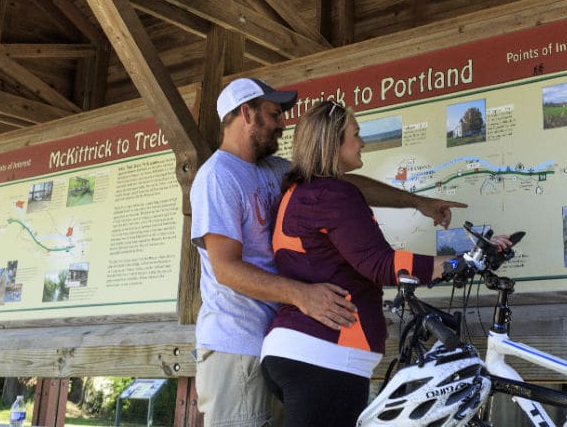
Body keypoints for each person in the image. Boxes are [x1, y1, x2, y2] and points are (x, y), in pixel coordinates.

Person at [190, 78, 465, 427]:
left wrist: (416, 202)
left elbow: (340, 182)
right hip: (236, 343)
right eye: (274, 114)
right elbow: (226, 269)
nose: (282, 123)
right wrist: (302, 295)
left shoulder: (273, 170)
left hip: (279, 339)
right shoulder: (218, 176)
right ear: (247, 113)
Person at [259, 100, 513, 427]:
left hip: (298, 350)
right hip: (325, 356)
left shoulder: (299, 193)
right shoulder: (334, 194)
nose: (362, 142)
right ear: (332, 141)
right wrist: (459, 263)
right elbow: (380, 264)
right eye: (355, 134)